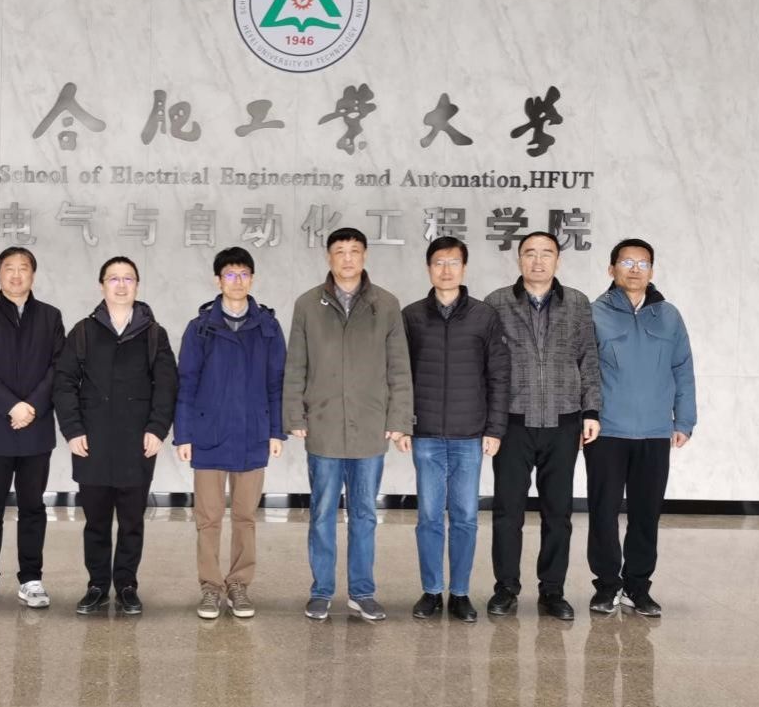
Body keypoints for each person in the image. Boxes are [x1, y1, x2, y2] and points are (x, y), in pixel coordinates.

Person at [283, 227, 414, 622]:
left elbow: (399, 367)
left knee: (364, 515)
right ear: (329, 257)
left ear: (365, 256)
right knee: (322, 513)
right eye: (339, 251)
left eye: (354, 251)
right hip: (323, 425)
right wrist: (295, 415)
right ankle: (321, 592)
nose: (347, 258)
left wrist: (399, 418)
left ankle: (362, 592)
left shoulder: (385, 304)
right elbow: (296, 365)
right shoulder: (308, 304)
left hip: (370, 426)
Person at [484, 231, 601, 621]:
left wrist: (591, 412)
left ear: (557, 260)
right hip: (513, 423)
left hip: (563, 421)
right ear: (519, 259)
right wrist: (490, 422)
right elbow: (487, 366)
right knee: (508, 512)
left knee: (558, 512)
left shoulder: (578, 304)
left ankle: (552, 590)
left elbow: (589, 360)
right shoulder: (496, 303)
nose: (538, 261)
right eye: (530, 253)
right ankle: (506, 588)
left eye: (546, 253)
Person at [53, 256, 178, 616]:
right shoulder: (83, 331)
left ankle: (126, 585)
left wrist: (157, 428)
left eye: (128, 279)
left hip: (138, 442)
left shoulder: (153, 334)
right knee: (95, 521)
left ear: (137, 285)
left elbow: (167, 385)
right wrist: (73, 430)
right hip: (91, 441)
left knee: (132, 521)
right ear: (102, 285)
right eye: (113, 279)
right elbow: (64, 383)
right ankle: (96, 585)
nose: (121, 285)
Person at [174, 247, 287, 619]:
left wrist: (276, 431)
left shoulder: (268, 327)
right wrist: (183, 434)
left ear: (252, 279)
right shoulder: (200, 327)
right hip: (208, 433)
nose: (237, 281)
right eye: (229, 275)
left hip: (253, 433)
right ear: (217, 280)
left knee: (245, 517)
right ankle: (210, 587)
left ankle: (239, 584)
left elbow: (277, 383)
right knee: (208, 518)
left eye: (243, 274)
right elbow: (186, 383)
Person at [401, 236, 509, 622]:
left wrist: (495, 428)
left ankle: (460, 593)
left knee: (464, 516)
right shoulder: (412, 316)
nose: (446, 270)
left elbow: (498, 375)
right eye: (438, 263)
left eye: (453, 263)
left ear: (464, 268)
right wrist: (402, 424)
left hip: (469, 435)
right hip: (426, 434)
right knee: (429, 517)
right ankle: (432, 591)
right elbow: (400, 376)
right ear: (428, 268)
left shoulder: (484, 315)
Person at [586, 238, 695, 618]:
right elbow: (584, 370)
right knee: (603, 512)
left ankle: (637, 586)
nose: (635, 269)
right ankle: (606, 586)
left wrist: (684, 420)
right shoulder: (594, 313)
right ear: (611, 268)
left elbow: (683, 368)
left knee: (646, 513)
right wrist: (586, 416)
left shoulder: (669, 316)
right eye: (627, 262)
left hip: (654, 430)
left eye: (643, 263)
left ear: (652, 270)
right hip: (607, 431)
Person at [0, 247, 65, 611]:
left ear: (33, 275)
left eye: (23, 268)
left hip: (36, 430)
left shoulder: (50, 317)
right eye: (9, 268)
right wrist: (12, 406)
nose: (16, 275)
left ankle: (31, 579)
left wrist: (31, 407)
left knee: (33, 507)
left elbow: (59, 368)